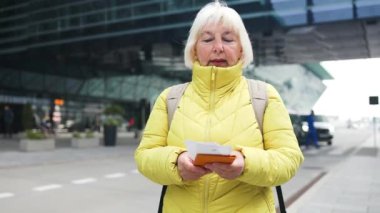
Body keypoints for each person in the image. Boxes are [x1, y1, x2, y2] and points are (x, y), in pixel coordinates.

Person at [135, 1, 304, 212]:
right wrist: (176, 162)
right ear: (194, 50)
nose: (218, 47)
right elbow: (144, 156)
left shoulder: (264, 96)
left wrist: (245, 164)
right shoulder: (170, 98)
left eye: (228, 39)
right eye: (207, 39)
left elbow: (289, 159)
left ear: (242, 49)